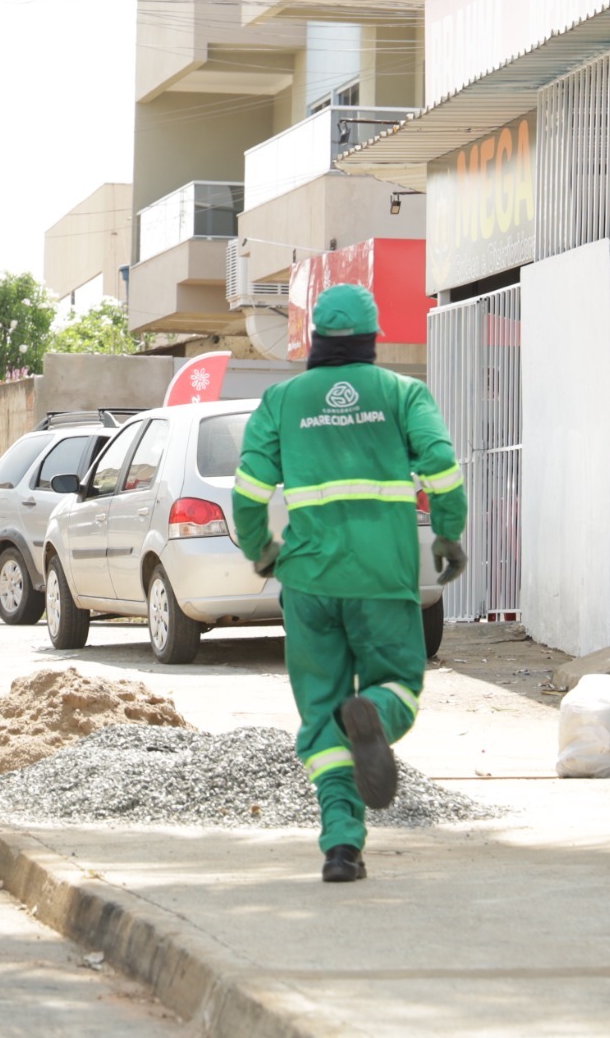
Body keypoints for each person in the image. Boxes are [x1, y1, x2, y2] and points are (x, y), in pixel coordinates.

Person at [231, 282, 466, 884]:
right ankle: (377, 714)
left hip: (308, 581)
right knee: (401, 685)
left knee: (320, 717)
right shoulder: (402, 393)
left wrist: (263, 551)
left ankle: (341, 845)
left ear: (313, 339)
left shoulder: (282, 401)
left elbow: (248, 493)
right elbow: (440, 467)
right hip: (381, 576)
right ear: (371, 339)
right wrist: (447, 534)